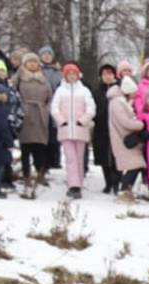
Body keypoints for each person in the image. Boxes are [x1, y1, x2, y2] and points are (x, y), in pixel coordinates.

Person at [50, 62, 95, 199]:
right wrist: (61, 120)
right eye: (69, 73)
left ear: (78, 75)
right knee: (70, 158)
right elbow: (54, 108)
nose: (71, 76)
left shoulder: (84, 90)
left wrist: (83, 120)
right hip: (65, 130)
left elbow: (91, 108)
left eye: (73, 73)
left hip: (80, 129)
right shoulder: (60, 91)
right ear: (65, 75)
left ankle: (78, 184)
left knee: (79, 158)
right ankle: (73, 185)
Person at [16, 53, 52, 191]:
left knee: (40, 147)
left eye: (34, 62)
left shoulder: (44, 79)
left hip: (41, 115)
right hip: (25, 114)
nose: (32, 64)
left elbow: (50, 96)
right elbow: (12, 92)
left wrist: (46, 110)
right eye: (29, 62)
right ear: (25, 64)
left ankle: (40, 173)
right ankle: (26, 176)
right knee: (25, 148)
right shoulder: (20, 78)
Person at [107, 76, 145, 200]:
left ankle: (124, 190)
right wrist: (140, 124)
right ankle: (124, 191)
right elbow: (125, 122)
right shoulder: (117, 103)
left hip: (125, 139)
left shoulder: (120, 101)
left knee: (135, 165)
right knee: (136, 165)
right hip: (122, 139)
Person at [91, 63, 119, 193]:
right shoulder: (96, 92)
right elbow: (92, 109)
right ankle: (108, 182)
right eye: (105, 74)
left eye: (110, 74)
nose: (107, 77)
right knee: (103, 157)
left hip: (117, 128)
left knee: (116, 156)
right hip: (101, 128)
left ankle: (117, 182)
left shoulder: (119, 90)